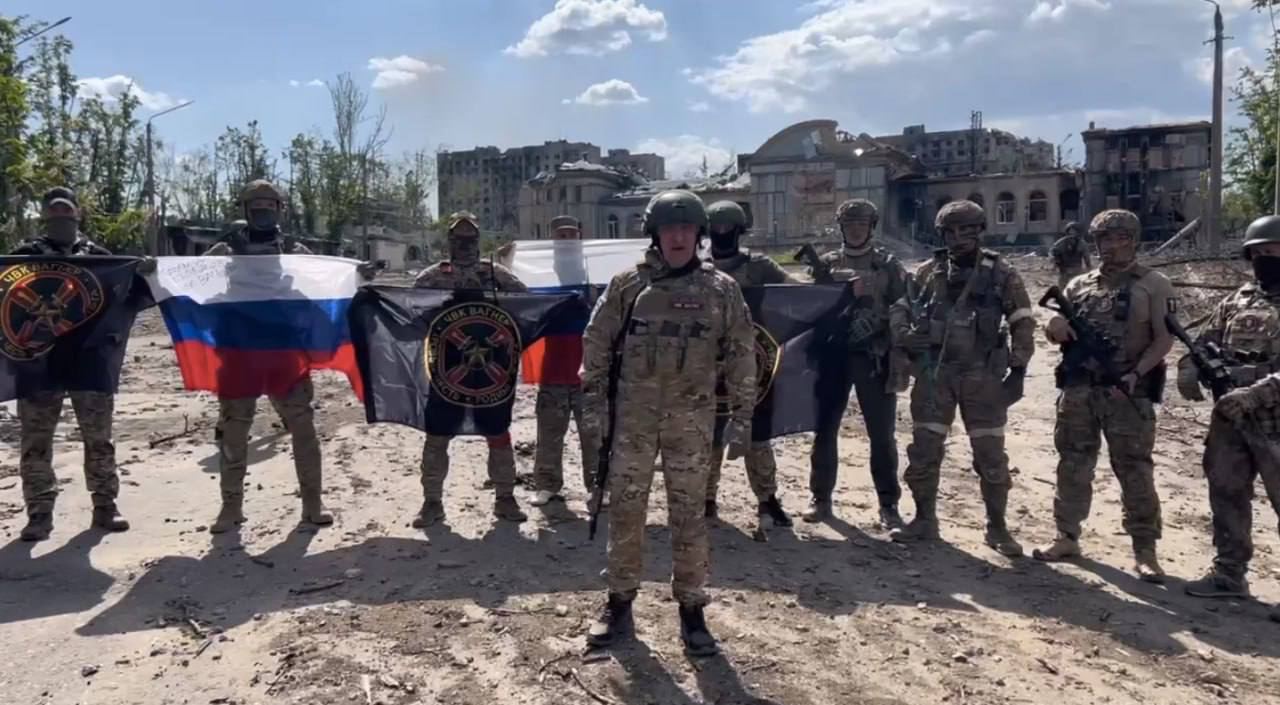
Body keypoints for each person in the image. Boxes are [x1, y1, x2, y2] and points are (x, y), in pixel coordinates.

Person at [582, 190, 755, 657]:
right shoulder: (628, 285)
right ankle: (619, 602)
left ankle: (692, 608)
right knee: (626, 510)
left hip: (691, 423)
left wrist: (743, 418)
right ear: (654, 234)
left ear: (699, 234)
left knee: (689, 514)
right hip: (632, 421)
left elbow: (741, 353)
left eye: (686, 229)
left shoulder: (721, 289)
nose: (678, 237)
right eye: (668, 229)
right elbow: (595, 344)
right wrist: (594, 409)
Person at [197, 180, 358, 533]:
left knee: (303, 427)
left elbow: (322, 280)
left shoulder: (294, 251)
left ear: (280, 209)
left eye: (270, 205)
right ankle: (230, 507)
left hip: (284, 351)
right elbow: (193, 280)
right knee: (234, 431)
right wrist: (156, 272)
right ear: (245, 210)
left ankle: (313, 503)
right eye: (256, 205)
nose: (263, 211)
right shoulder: (225, 251)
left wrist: (356, 274)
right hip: (238, 351)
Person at [1032, 209, 1173, 583]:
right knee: (1073, 464)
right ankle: (1066, 536)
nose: (1111, 246)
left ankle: (1145, 550)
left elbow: (1163, 339)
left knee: (1134, 469)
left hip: (1127, 390)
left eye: (1119, 238)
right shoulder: (1079, 285)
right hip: (1079, 389)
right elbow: (1054, 328)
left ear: (1134, 240)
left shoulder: (1154, 284)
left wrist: (1135, 374)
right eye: (1104, 239)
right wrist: (1054, 325)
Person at [889, 200, 1035, 557]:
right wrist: (904, 336)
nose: (958, 238)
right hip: (935, 374)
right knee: (924, 450)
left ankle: (997, 527)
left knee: (990, 455)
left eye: (966, 230)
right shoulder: (928, 272)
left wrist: (1018, 370)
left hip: (981, 376)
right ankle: (924, 519)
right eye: (951, 232)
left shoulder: (1001, 273)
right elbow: (900, 307)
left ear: (980, 231)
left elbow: (1022, 321)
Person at [13, 187, 128, 541]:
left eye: (66, 211)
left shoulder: (100, 258)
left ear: (78, 214)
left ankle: (105, 505)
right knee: (35, 442)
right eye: (54, 212)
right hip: (38, 363)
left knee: (99, 439)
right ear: (44, 215)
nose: (61, 217)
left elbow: (124, 296)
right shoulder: (23, 257)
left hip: (89, 361)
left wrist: (144, 272)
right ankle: (39, 512)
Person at [1181, 214, 1280, 616]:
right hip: (1230, 418)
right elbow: (1204, 341)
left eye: (1273, 250)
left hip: (1274, 419)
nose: (1266, 258)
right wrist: (1189, 368)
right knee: (1226, 491)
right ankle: (1229, 573)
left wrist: (1256, 393)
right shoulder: (1239, 300)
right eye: (1259, 253)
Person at [413, 211, 529, 527]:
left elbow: (528, 305)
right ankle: (432, 502)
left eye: (470, 238)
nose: (464, 244)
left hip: (492, 371)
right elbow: (410, 310)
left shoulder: (497, 275)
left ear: (478, 240)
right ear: (449, 240)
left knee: (498, 431)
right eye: (458, 238)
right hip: (446, 369)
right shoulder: (432, 277)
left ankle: (505, 498)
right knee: (438, 433)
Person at [803, 198, 908, 528]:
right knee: (824, 430)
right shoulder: (827, 264)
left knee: (882, 435)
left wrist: (882, 323)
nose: (856, 229)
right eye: (850, 224)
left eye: (862, 224)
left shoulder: (887, 265)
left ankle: (888, 504)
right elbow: (810, 308)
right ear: (841, 228)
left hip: (873, 357)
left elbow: (906, 306)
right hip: (834, 357)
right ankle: (821, 499)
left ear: (872, 227)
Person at [703, 200, 792, 527]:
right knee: (709, 433)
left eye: (729, 228)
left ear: (740, 230)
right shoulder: (698, 269)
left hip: (755, 361)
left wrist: (833, 284)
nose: (722, 233)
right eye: (717, 228)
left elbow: (795, 294)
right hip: (708, 364)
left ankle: (767, 499)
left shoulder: (760, 267)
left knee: (757, 432)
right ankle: (706, 499)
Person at [530, 215, 602, 516]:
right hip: (554, 369)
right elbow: (526, 304)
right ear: (552, 239)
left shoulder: (596, 270)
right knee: (549, 433)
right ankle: (547, 485)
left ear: (580, 237)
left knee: (594, 435)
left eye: (572, 234)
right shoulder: (541, 273)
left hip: (590, 371)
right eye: (561, 235)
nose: (567, 239)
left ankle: (597, 487)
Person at [1050, 221, 1092, 288]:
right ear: (1067, 233)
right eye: (1070, 232)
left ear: (1078, 233)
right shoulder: (1061, 242)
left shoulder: (1081, 244)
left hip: (1076, 269)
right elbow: (1053, 251)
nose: (1072, 235)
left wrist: (1089, 268)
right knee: (1062, 287)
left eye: (1074, 232)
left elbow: (1087, 258)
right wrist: (1054, 262)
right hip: (1064, 270)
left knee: (1077, 287)